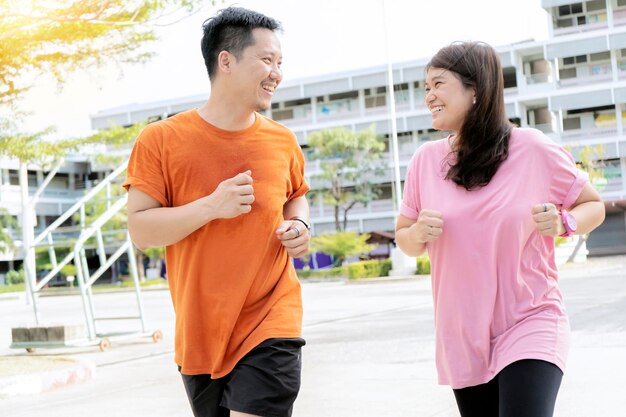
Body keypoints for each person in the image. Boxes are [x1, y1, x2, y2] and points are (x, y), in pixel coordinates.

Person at [395, 41, 605, 417]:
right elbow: (405, 239)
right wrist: (418, 233)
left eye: (439, 84)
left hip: (531, 320)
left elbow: (592, 204)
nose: (429, 96)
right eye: (426, 87)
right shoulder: (425, 161)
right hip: (462, 334)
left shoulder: (531, 148)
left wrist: (563, 222)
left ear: (475, 90)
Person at [123, 7, 311, 417]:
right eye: (266, 60)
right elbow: (141, 230)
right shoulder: (161, 140)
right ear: (226, 61)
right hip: (201, 333)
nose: (276, 73)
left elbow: (296, 195)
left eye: (280, 63)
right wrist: (212, 206)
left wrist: (300, 223)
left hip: (271, 319)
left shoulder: (282, 141)